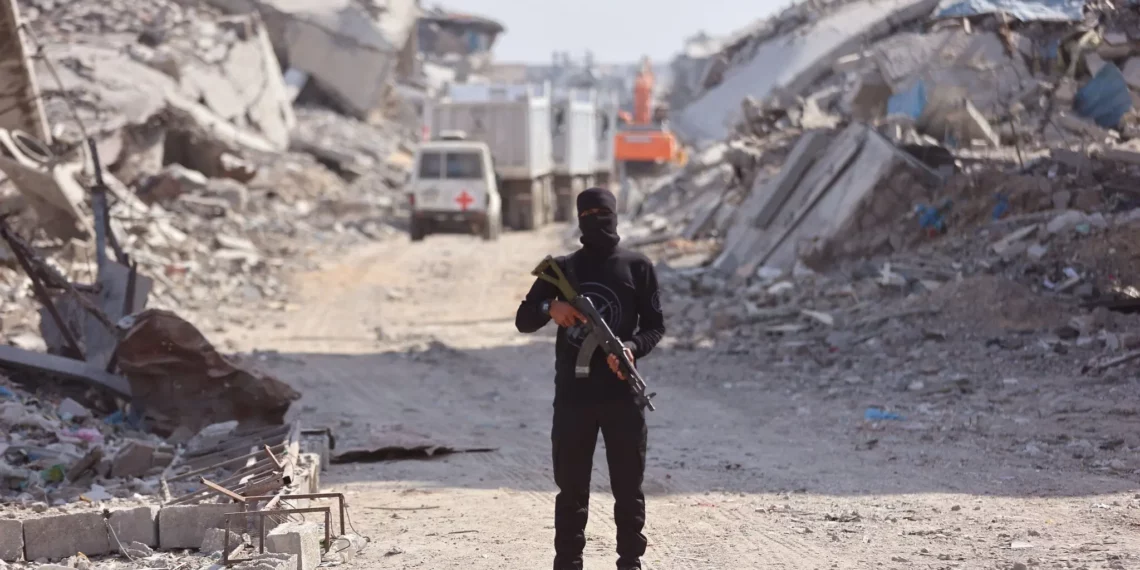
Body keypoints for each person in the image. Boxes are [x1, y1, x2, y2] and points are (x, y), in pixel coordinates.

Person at [515, 187, 666, 570]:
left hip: (622, 397)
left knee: (629, 488)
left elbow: (654, 327)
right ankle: (568, 562)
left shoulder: (638, 267)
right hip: (574, 396)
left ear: (616, 215)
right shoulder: (562, 270)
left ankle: (630, 561)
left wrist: (631, 348)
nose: (598, 219)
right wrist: (552, 307)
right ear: (579, 218)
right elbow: (523, 319)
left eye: (604, 212)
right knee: (571, 490)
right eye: (590, 213)